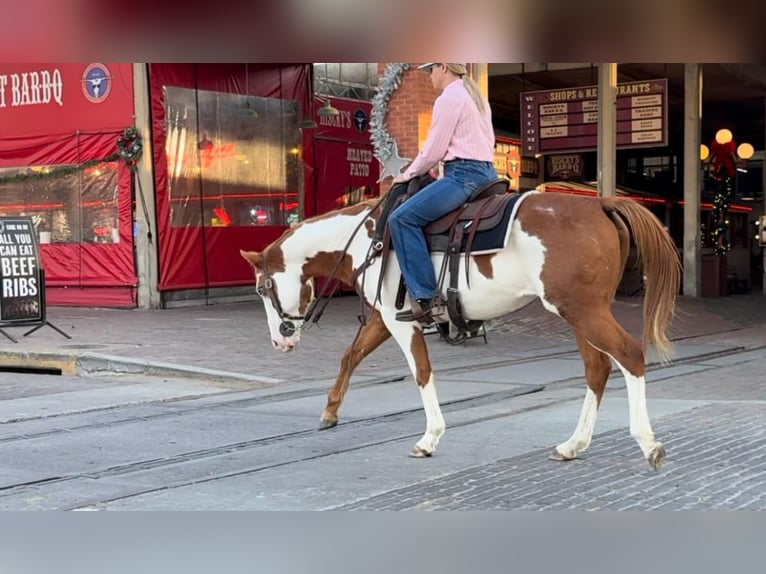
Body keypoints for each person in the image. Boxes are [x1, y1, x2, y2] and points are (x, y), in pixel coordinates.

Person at [389, 63, 498, 323]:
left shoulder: (450, 97)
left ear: (444, 67)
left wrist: (407, 174)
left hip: (462, 176)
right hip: (488, 174)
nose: (429, 77)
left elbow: (433, 150)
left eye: (431, 70)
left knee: (401, 219)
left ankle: (426, 298)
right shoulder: (476, 96)